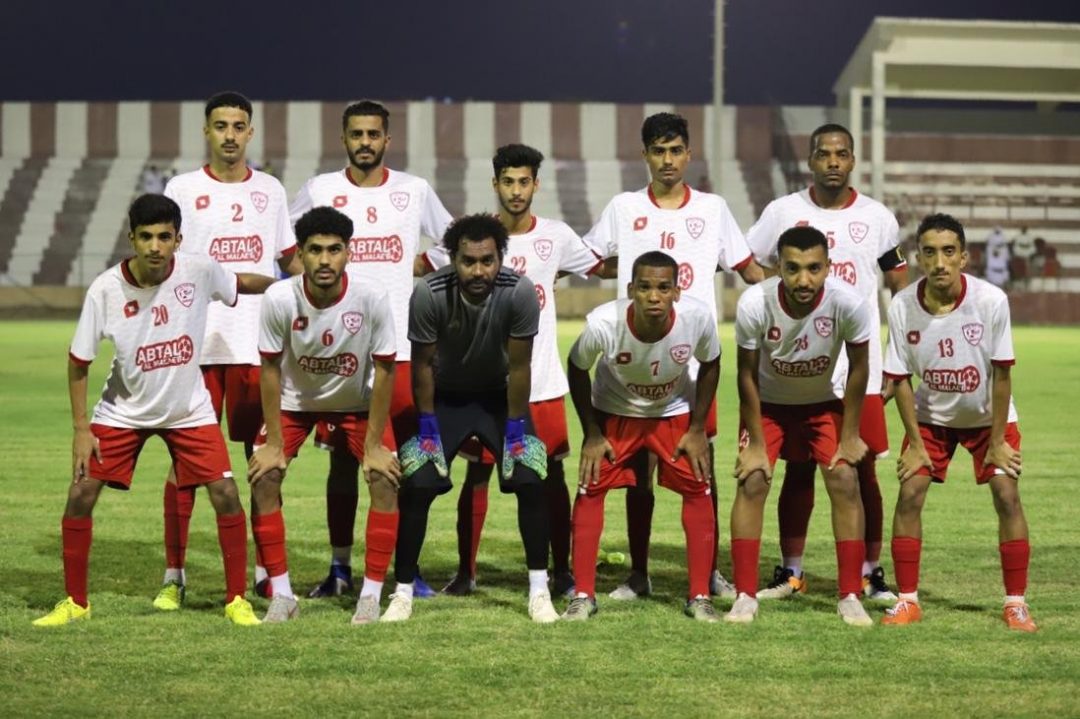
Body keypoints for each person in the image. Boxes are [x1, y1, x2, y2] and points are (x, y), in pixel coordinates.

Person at [34, 194, 273, 627]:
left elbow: (241, 283)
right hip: (123, 410)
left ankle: (237, 599)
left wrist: (294, 285)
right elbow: (78, 362)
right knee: (80, 495)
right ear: (132, 238)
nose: (155, 247)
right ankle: (75, 602)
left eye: (164, 237)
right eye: (146, 237)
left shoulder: (199, 270)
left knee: (225, 494)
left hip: (188, 409)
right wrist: (81, 429)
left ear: (178, 239)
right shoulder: (106, 289)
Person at [584, 112, 763, 601]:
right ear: (644, 155)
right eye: (658, 151)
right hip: (635, 364)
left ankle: (710, 573)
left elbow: (748, 269)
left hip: (695, 365)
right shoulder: (624, 207)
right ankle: (638, 574)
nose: (668, 160)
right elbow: (591, 260)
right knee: (638, 473)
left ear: (688, 153)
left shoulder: (713, 208)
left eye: (676, 150)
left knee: (701, 467)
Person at [289, 100, 452, 599]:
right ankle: (340, 568)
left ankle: (405, 567)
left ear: (387, 139)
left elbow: (453, 241)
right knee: (342, 463)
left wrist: (420, 264)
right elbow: (287, 248)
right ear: (344, 138)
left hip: (400, 349)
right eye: (356, 134)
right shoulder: (320, 189)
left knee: (403, 464)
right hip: (339, 354)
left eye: (373, 134)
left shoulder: (413, 190)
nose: (365, 142)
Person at [424, 144, 603, 597]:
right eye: (508, 181)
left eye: (524, 181)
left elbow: (601, 266)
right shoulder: (474, 239)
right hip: (483, 386)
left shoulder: (557, 236)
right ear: (495, 184)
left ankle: (561, 571)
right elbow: (424, 266)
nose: (516, 190)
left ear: (536, 184)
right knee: (477, 475)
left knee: (551, 476)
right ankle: (466, 572)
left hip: (541, 384)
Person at [745, 123, 908, 602]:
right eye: (824, 154)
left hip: (860, 366)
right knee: (797, 468)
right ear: (811, 160)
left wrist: (896, 357)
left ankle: (869, 573)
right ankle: (791, 572)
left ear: (853, 160)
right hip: (796, 362)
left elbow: (899, 283)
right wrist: (780, 301)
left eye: (841, 154)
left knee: (861, 470)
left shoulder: (878, 217)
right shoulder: (782, 212)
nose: (833, 162)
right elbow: (751, 263)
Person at [154, 91, 300, 610]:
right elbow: (164, 265)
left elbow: (290, 259)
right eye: (221, 126)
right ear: (206, 131)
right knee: (184, 466)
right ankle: (174, 575)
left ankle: (266, 572)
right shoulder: (182, 189)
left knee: (262, 463)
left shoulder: (270, 190)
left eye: (239, 126)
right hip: (194, 350)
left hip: (256, 347)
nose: (230, 135)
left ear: (250, 132)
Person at [383, 213, 558, 624]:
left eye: (487, 261)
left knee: (531, 478)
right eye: (468, 261)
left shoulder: (519, 292)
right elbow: (421, 365)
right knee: (418, 483)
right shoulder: (428, 293)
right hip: (446, 399)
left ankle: (539, 591)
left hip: (500, 399)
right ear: (453, 259)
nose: (478, 271)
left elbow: (520, 366)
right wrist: (427, 424)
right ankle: (402, 591)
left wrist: (516, 427)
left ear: (501, 259)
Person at [881, 213, 1036, 632]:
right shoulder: (902, 305)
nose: (939, 262)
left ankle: (1016, 604)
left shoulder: (990, 301)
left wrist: (999, 440)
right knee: (910, 493)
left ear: (963, 257)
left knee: (1007, 495)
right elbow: (900, 379)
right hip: (931, 418)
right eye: (929, 253)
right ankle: (907, 601)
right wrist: (915, 444)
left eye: (948, 252)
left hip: (988, 418)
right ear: (918, 258)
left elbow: (1002, 373)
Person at [246, 206, 401, 623]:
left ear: (349, 252)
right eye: (315, 250)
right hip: (295, 404)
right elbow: (269, 368)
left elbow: (386, 368)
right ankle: (283, 595)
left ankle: (370, 596)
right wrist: (273, 443)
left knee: (385, 479)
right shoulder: (280, 298)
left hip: (356, 404)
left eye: (334, 249)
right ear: (300, 254)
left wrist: (374, 446)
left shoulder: (370, 296)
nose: (325, 259)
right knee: (264, 477)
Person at [727, 225, 873, 626]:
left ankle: (849, 594)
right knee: (753, 479)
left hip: (822, 403)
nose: (803, 280)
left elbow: (860, 367)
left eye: (813, 268)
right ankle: (744, 595)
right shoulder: (755, 303)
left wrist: (850, 434)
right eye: (792, 268)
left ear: (828, 267)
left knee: (845, 479)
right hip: (768, 406)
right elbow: (745, 375)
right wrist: (756, 444)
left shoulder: (848, 302)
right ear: (778, 267)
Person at [564, 251, 722, 622]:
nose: (654, 296)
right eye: (645, 287)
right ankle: (583, 595)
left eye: (664, 288)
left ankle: (700, 595)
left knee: (698, 487)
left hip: (673, 414)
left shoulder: (697, 318)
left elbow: (712, 362)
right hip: (616, 413)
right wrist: (592, 433)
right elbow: (577, 366)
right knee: (590, 487)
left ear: (677, 292)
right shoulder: (604, 322)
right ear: (630, 289)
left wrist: (698, 428)